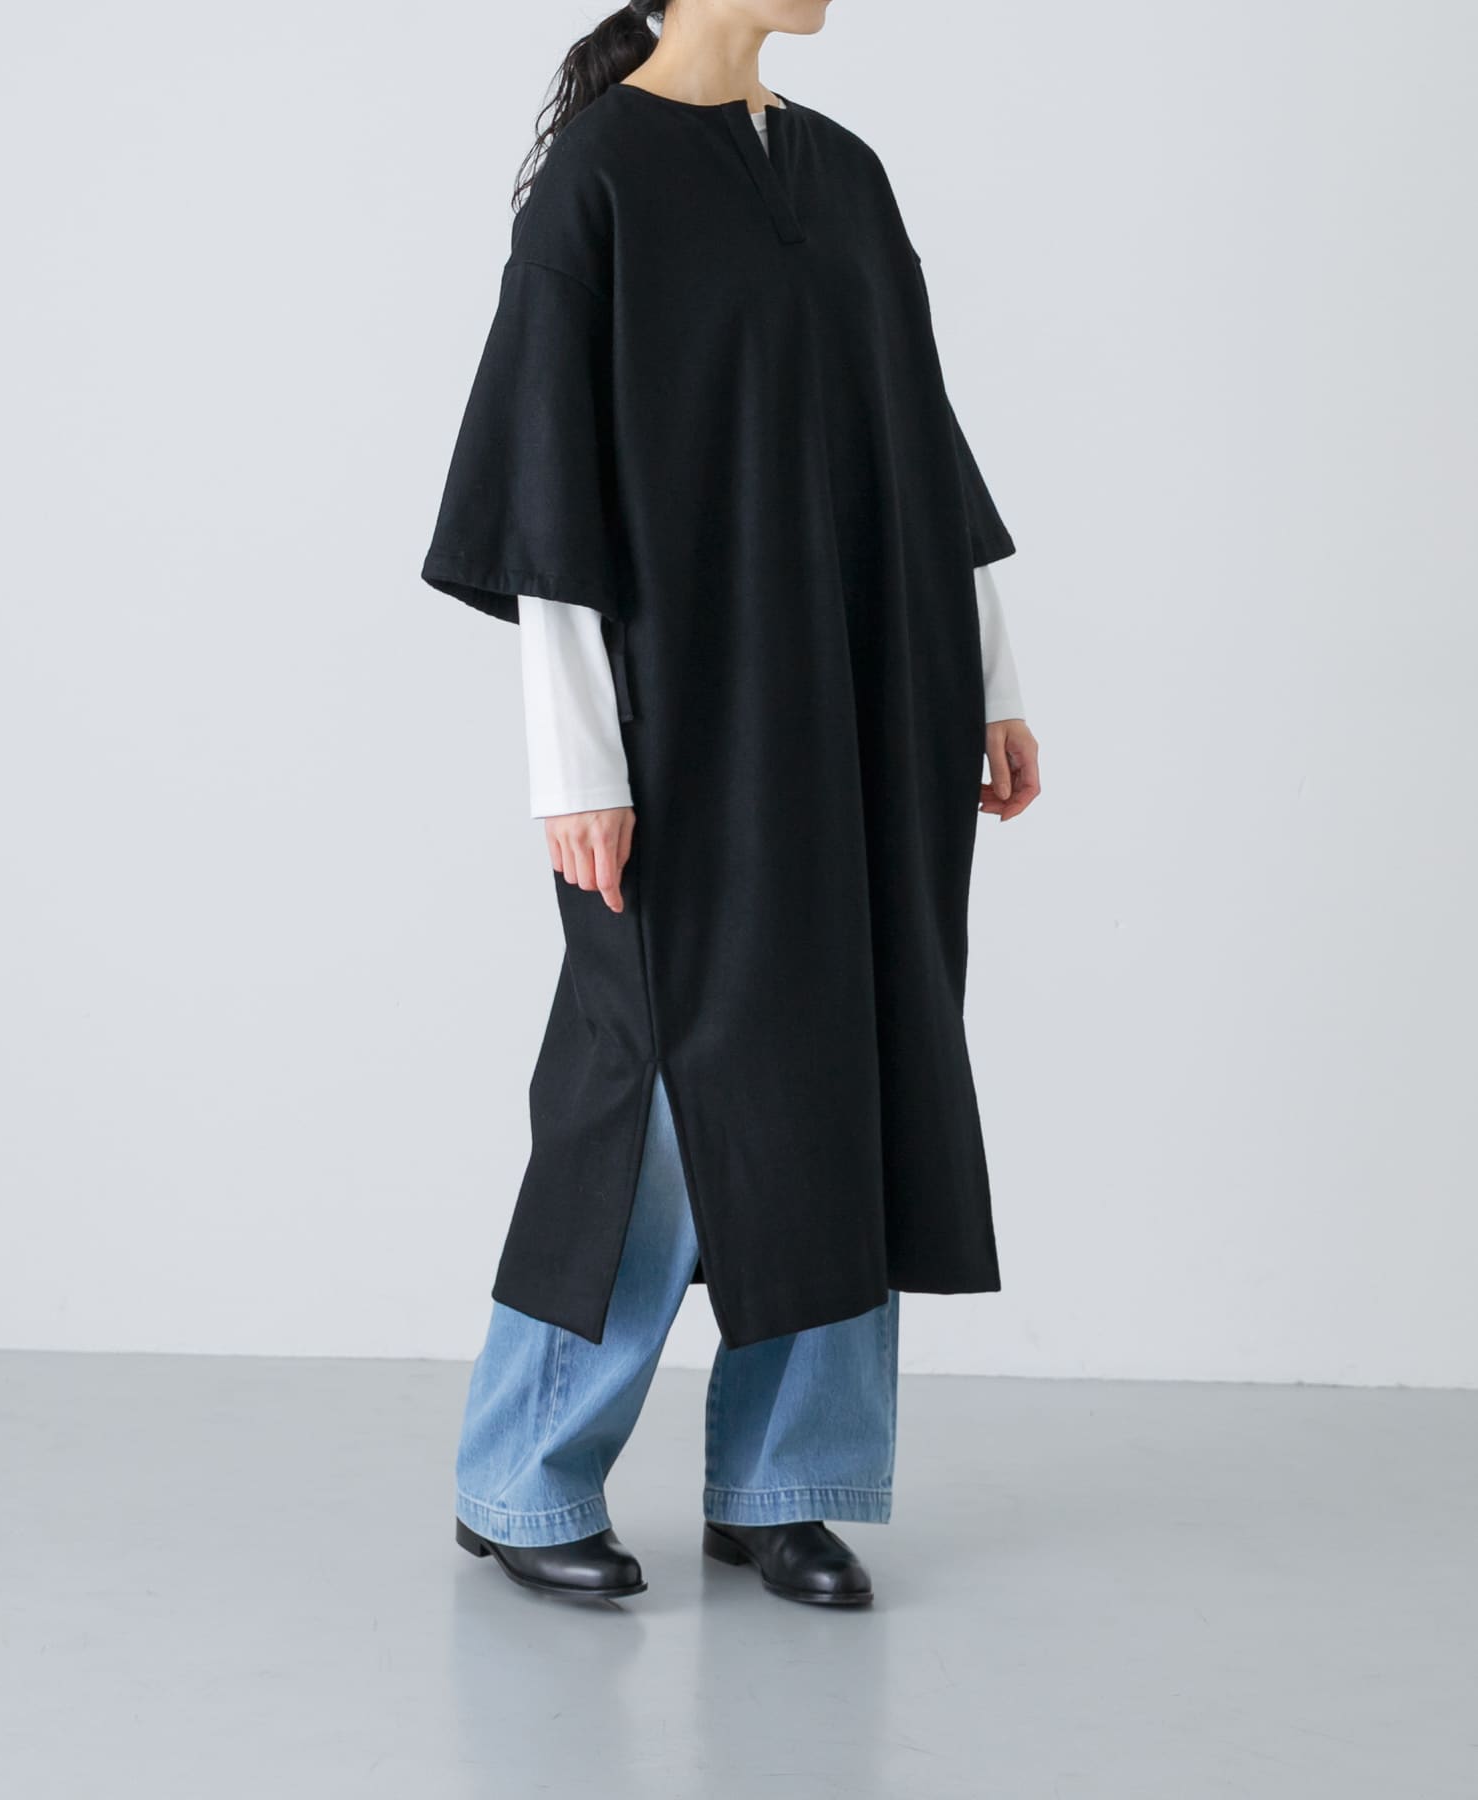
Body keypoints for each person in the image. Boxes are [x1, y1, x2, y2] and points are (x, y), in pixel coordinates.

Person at [421, 0, 1041, 1608]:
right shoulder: (600, 182)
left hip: (872, 698)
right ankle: (522, 1475)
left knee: (852, 1069)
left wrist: (989, 678)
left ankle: (788, 1482)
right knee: (656, 1094)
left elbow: (917, 432)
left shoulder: (845, 174)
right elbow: (545, 478)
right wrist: (578, 763)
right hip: (680, 721)